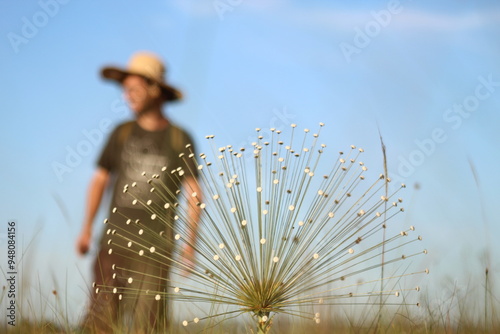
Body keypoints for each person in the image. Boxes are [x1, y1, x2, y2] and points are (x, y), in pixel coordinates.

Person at [76, 51, 201, 333]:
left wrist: (190, 244)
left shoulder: (179, 138)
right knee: (100, 322)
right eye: (124, 90)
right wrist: (86, 229)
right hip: (114, 243)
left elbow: (195, 193)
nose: (126, 96)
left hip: (156, 249)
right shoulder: (121, 132)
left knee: (150, 325)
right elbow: (99, 181)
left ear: (154, 89)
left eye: (133, 89)